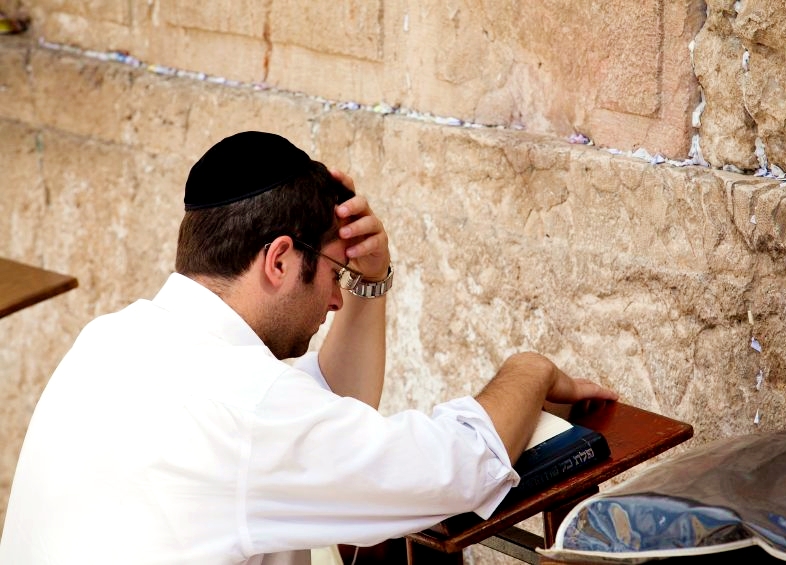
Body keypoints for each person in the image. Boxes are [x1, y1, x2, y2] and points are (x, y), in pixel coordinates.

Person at [0, 131, 617, 565]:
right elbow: (460, 468)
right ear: (278, 259)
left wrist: (370, 279)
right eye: (331, 275)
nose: (335, 301)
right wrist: (528, 369)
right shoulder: (250, 407)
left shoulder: (111, 338)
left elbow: (325, 414)